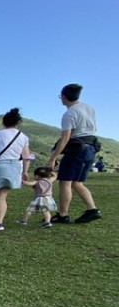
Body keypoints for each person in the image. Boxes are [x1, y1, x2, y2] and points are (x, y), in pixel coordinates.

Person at [46, 83, 101, 224]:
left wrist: (53, 158)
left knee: (65, 182)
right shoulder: (89, 108)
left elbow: (65, 138)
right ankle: (92, 210)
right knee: (77, 182)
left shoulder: (69, 113)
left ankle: (63, 215)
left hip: (77, 149)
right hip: (91, 147)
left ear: (64, 97)